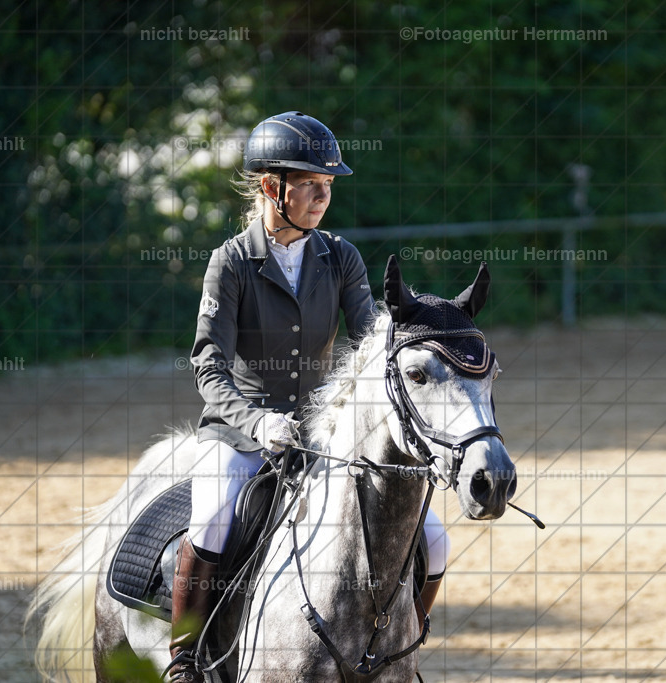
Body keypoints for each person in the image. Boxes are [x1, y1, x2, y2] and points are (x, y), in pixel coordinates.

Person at [168, 112, 449, 681]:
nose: (323, 196)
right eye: (311, 184)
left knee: (435, 539)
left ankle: (400, 654)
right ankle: (186, 658)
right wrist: (257, 422)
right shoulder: (231, 262)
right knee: (214, 517)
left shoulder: (339, 257)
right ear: (273, 187)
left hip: (322, 436)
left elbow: (371, 342)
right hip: (241, 433)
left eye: (329, 186)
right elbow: (208, 364)